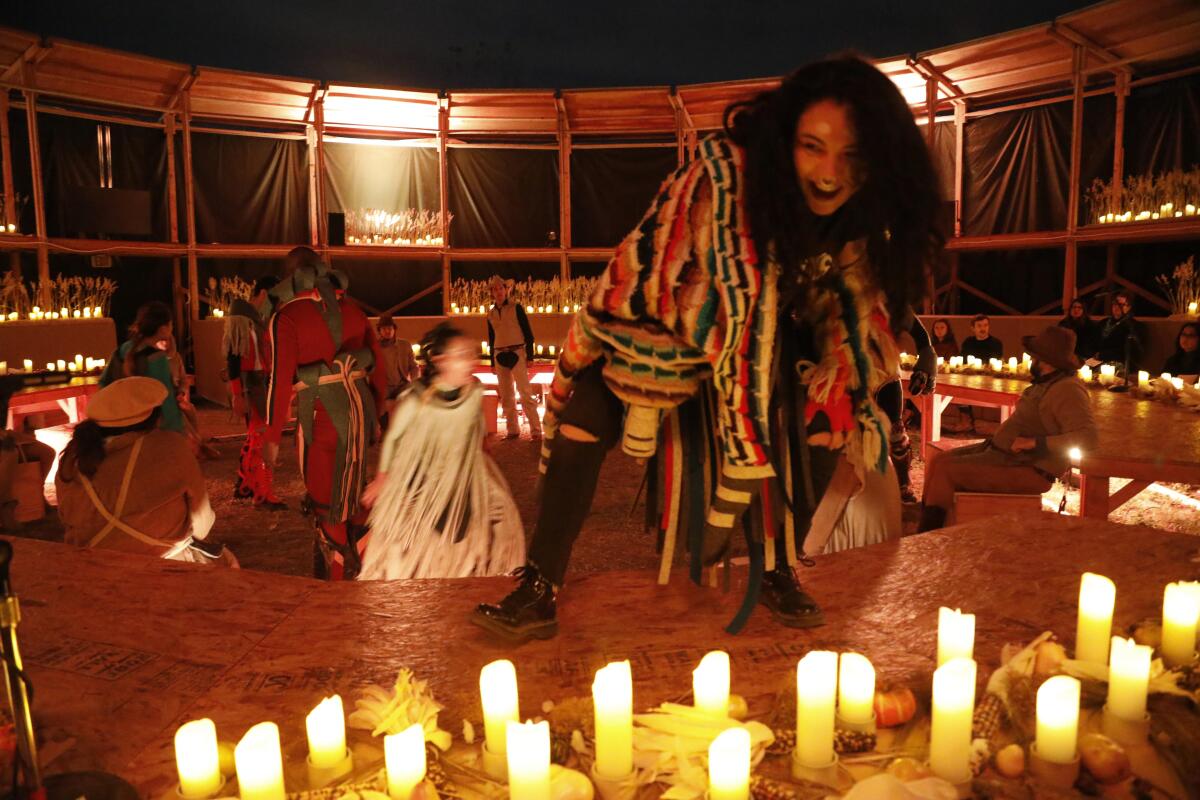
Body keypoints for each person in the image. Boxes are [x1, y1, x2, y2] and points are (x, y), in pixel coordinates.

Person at [473, 55, 943, 642]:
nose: (828, 171)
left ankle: (778, 566)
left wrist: (838, 363)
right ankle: (538, 587)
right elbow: (649, 271)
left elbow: (849, 313)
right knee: (585, 416)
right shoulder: (721, 178)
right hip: (672, 327)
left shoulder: (858, 219)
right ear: (784, 137)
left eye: (849, 154)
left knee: (831, 415)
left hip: (770, 347)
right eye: (812, 147)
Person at [358, 323, 525, 580]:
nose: (469, 361)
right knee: (417, 543)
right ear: (440, 360)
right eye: (460, 355)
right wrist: (383, 478)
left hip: (462, 476)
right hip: (423, 480)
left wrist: (484, 464)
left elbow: (477, 430)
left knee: (479, 530)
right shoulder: (417, 399)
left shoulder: (473, 393)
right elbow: (393, 438)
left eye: (471, 354)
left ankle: (462, 577)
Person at [265, 246, 388, 580]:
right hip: (360, 415)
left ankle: (338, 588)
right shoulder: (352, 310)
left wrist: (272, 438)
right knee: (351, 490)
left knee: (326, 504)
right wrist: (378, 413)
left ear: (289, 278)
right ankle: (362, 561)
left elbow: (278, 382)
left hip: (319, 417)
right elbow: (378, 367)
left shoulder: (287, 317)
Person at [918, 326, 1098, 531]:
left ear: (1046, 361)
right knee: (938, 460)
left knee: (946, 471)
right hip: (1004, 455)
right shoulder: (1047, 382)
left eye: (1034, 356)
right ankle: (929, 517)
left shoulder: (1067, 389)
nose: (1030, 360)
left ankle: (927, 536)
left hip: (1030, 468)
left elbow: (1088, 437)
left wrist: (1034, 443)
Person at [55, 376, 233, 564]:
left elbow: (68, 519)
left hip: (89, 561)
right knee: (228, 564)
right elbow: (202, 526)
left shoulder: (72, 456)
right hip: (160, 562)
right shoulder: (170, 446)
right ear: (153, 416)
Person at [224, 276, 285, 509]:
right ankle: (263, 492)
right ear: (262, 293)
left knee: (257, 435)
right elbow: (233, 358)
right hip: (253, 384)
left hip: (261, 382)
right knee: (263, 437)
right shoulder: (241, 318)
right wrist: (237, 394)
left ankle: (246, 483)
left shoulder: (256, 319)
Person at [100, 301, 184, 434]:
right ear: (163, 329)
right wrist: (178, 432)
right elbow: (166, 403)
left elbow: (104, 383)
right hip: (145, 429)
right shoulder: (156, 358)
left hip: (119, 424)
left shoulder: (122, 349)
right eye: (171, 324)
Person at [486, 276, 543, 440]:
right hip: (499, 353)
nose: (498, 292)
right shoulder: (490, 314)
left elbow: (528, 333)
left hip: (517, 352)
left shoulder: (516, 308)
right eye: (495, 289)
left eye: (501, 288)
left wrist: (530, 356)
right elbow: (491, 338)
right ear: (492, 293)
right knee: (506, 394)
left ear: (506, 290)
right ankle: (512, 430)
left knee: (525, 392)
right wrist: (492, 362)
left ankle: (536, 430)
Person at [376, 314, 420, 421]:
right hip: (384, 388)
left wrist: (414, 382)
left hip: (402, 386)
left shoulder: (404, 345)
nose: (388, 331)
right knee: (381, 415)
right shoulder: (375, 347)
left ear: (394, 329)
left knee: (411, 407)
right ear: (379, 331)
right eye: (384, 328)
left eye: (390, 328)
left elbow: (414, 367)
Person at [1095, 292, 1142, 370]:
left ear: (1129, 307)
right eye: (1115, 304)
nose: (1117, 307)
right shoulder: (1103, 323)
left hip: (1119, 363)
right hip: (1097, 360)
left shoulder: (1133, 326)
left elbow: (1129, 351)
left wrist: (1103, 355)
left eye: (1121, 305)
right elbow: (1094, 340)